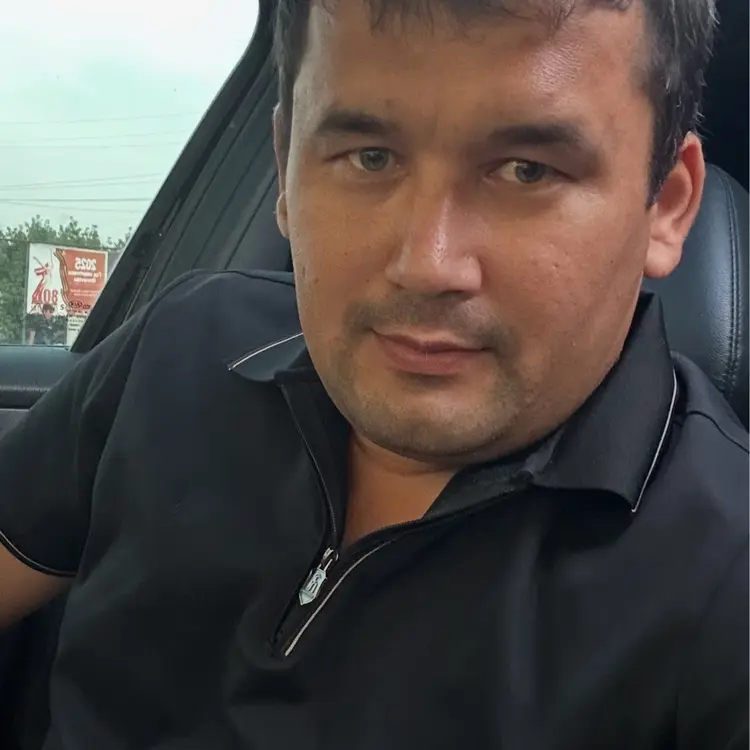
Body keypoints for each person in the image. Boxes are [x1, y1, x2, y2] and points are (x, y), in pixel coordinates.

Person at [0, 1, 747, 748]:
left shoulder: (725, 583)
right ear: (286, 169)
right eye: (370, 157)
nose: (426, 264)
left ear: (666, 205)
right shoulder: (183, 350)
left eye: (528, 170)